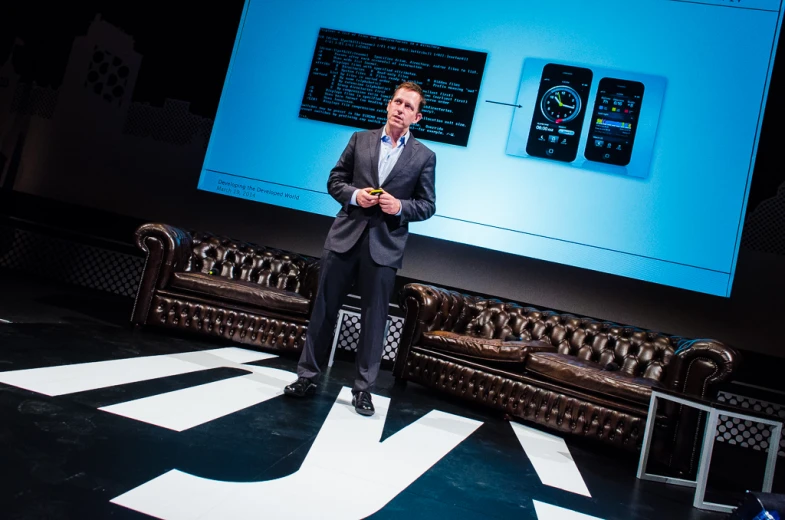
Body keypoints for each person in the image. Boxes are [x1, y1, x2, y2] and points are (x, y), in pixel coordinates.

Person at [284, 81, 436, 416]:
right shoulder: (360, 139)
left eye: (409, 106)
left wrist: (400, 207)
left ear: (418, 117)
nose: (400, 109)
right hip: (345, 238)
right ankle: (307, 376)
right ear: (388, 105)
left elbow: (427, 205)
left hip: (385, 246)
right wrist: (355, 195)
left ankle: (364, 390)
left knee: (374, 318)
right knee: (324, 309)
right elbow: (335, 180)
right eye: (397, 102)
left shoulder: (424, 156)